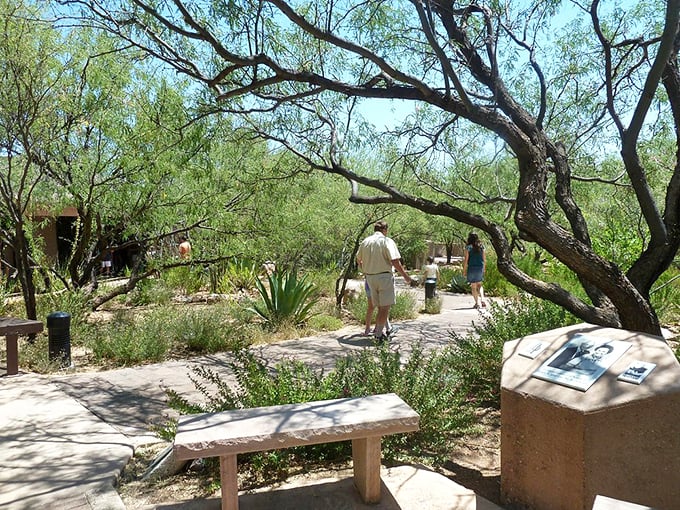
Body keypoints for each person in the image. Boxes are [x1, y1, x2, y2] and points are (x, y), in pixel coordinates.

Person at [357, 220, 412, 343]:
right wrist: (406, 276)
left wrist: (365, 270)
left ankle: (381, 331)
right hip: (384, 277)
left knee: (378, 306)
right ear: (385, 230)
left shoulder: (365, 241)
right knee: (384, 307)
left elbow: (358, 259)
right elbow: (395, 261)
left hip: (370, 277)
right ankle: (379, 335)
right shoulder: (387, 241)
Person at [463, 232, 486, 308]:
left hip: (472, 268)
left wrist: (464, 270)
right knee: (479, 285)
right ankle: (482, 299)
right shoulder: (481, 247)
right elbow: (484, 259)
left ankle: (477, 303)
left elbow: (466, 260)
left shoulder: (468, 248)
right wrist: (484, 268)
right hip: (480, 268)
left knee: (473, 287)